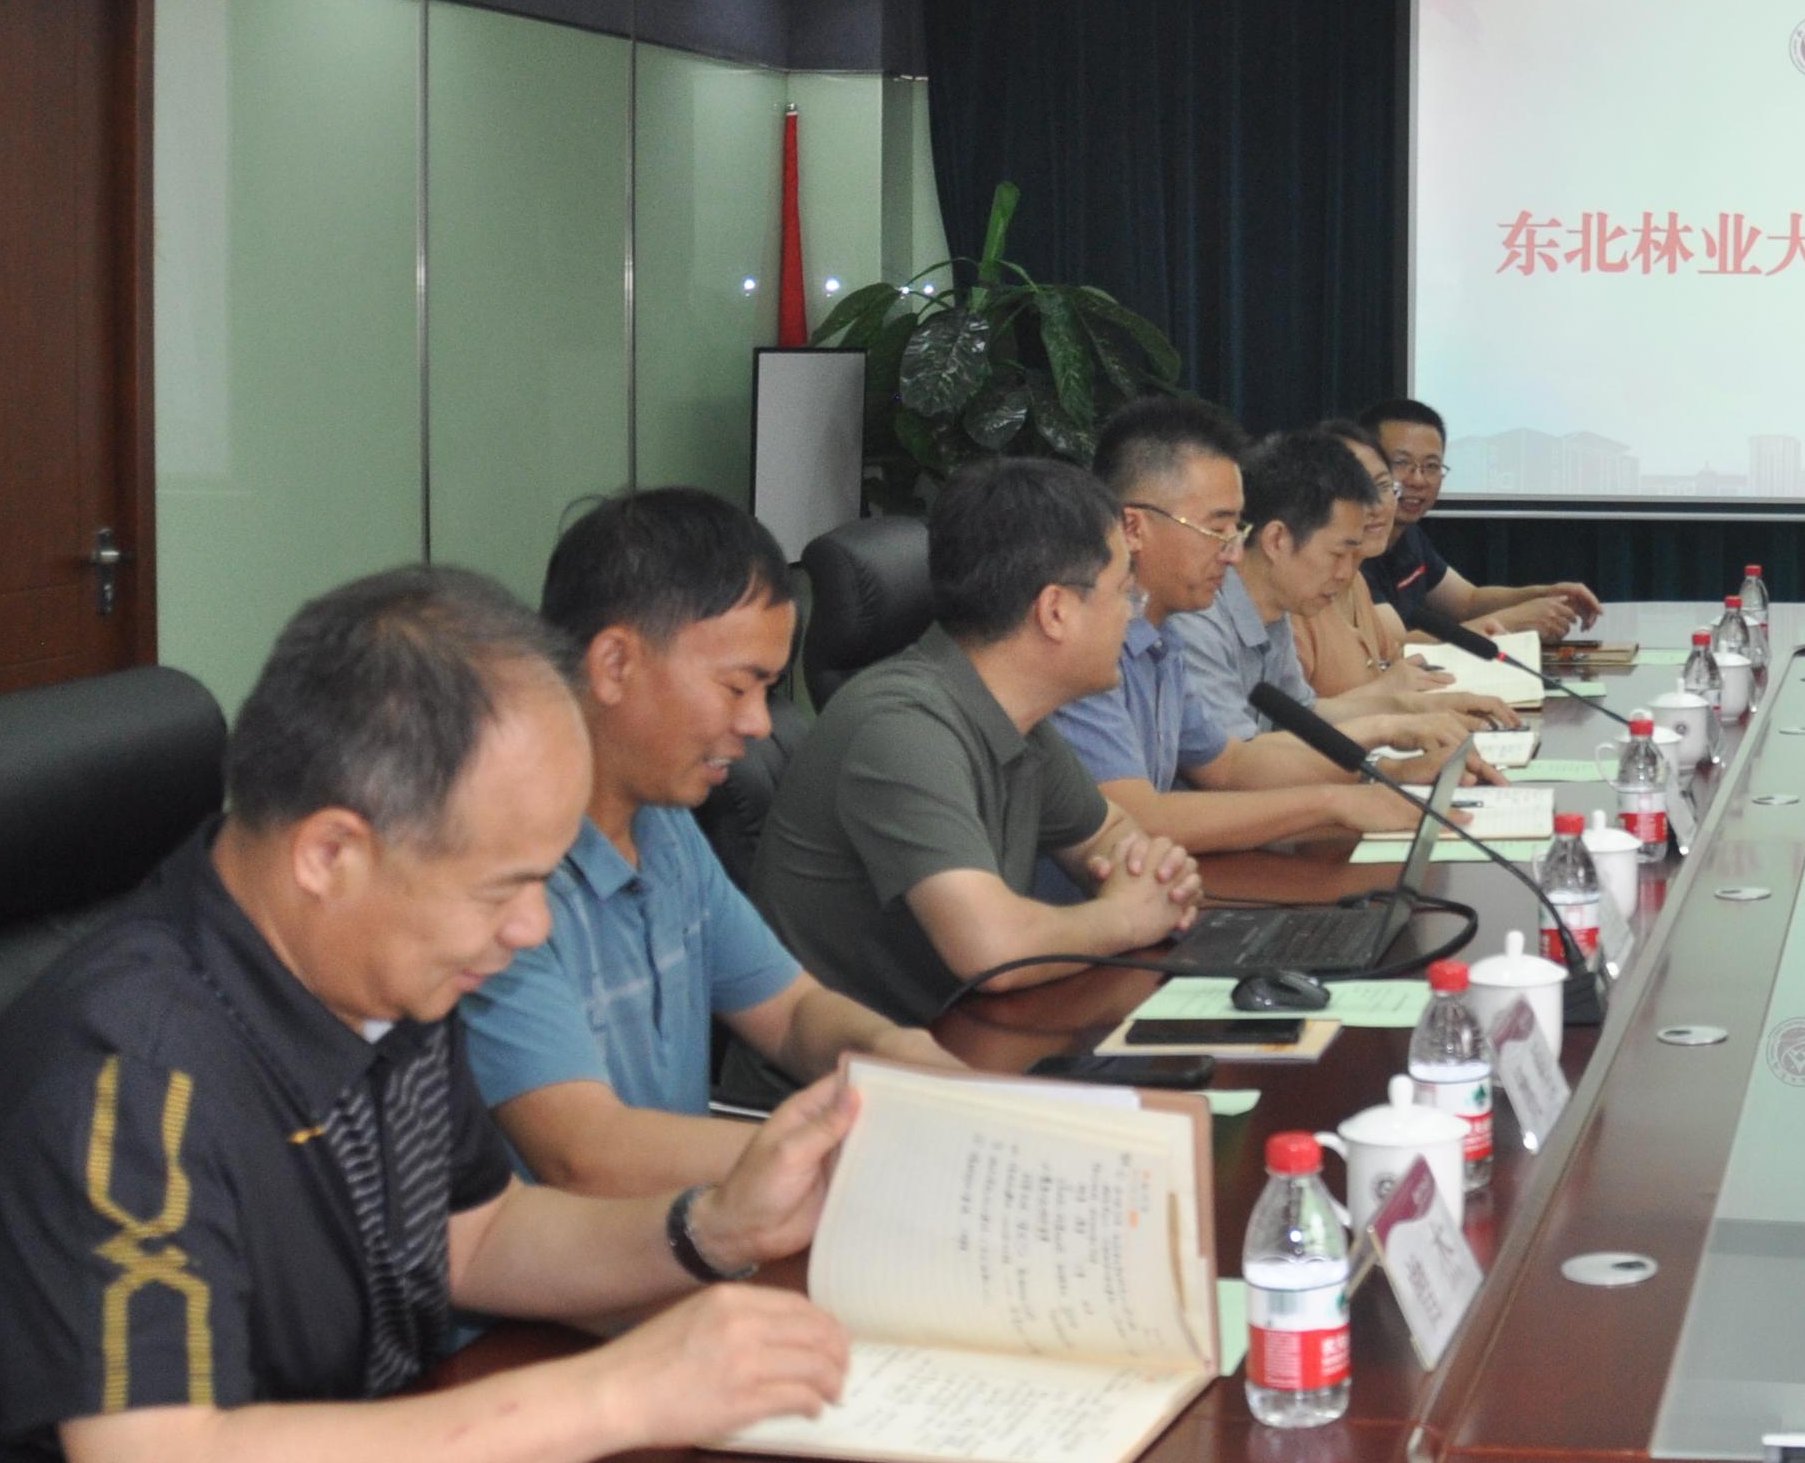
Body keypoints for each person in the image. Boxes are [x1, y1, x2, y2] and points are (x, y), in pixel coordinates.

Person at [0, 570, 860, 1463]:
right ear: (331, 851)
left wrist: (710, 1226)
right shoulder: (128, 1070)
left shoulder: (385, 972)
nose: (533, 927)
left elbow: (474, 1232)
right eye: (505, 886)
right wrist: (624, 1392)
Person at [459, 491, 985, 1193]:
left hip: (685, 1232)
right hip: (577, 1258)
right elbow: (582, 1151)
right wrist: (846, 1146)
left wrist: (894, 1053)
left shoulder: (664, 826)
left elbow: (791, 1015)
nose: (760, 724)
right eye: (739, 687)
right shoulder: (497, 882)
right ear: (614, 664)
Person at [752, 455, 1202, 1027]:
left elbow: (1108, 833)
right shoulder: (902, 728)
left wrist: (1152, 876)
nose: (1132, 616)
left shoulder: (1018, 721)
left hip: (956, 1043)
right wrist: (1129, 916)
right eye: (1123, 593)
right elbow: (992, 950)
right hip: (845, 1073)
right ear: (1056, 611)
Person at [1054, 395, 1431, 844]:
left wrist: (1388, 771)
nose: (1234, 554)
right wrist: (1332, 803)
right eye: (1216, 530)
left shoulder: (1162, 634)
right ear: (1133, 528)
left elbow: (1231, 765)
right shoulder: (1080, 644)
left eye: (1237, 529)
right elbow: (1138, 820)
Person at [1164, 431, 1456, 768]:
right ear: (1277, 540)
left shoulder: (1276, 608)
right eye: (1338, 554)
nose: (1346, 574)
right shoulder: (1198, 622)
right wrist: (1384, 745)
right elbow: (1235, 765)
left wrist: (1421, 710)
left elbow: (1304, 713)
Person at [1295, 417, 1513, 739]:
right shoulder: (1293, 601)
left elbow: (1396, 670)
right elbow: (1285, 725)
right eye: (1355, 490)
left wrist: (1442, 703)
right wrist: (1394, 703)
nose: (1376, 506)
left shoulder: (1356, 583)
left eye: (1383, 487)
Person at [1363, 396, 1598, 639]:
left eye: (1431, 466)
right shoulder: (1354, 547)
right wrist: (1513, 621)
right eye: (1401, 463)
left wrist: (1546, 594)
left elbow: (1467, 601)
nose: (1418, 480)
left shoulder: (1409, 536)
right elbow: (1392, 648)